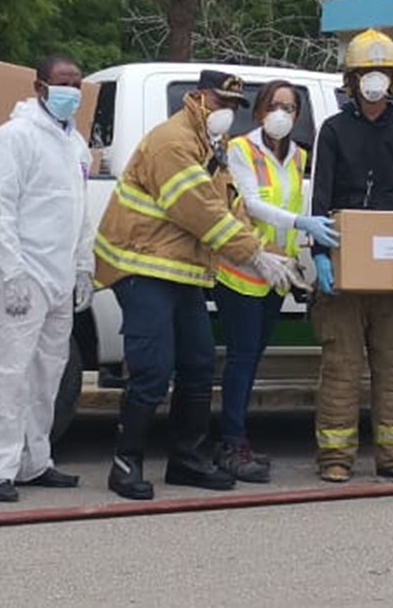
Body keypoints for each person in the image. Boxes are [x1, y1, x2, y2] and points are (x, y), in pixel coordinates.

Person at [95, 69, 300, 501]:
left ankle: (186, 459)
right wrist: (253, 255)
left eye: (234, 106)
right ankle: (126, 462)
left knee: (199, 364)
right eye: (221, 102)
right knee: (152, 369)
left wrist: (263, 251)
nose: (227, 112)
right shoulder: (173, 142)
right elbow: (199, 210)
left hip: (181, 269)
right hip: (142, 264)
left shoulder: (210, 144)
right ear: (198, 97)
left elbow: (230, 205)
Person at [309, 28, 393, 484]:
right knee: (340, 369)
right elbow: (320, 198)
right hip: (344, 272)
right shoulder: (333, 130)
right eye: (366, 72)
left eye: (382, 72)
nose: (374, 81)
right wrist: (321, 255)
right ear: (350, 80)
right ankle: (335, 457)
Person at [0, 54, 95, 503]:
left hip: (60, 273)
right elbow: (0, 208)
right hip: (23, 272)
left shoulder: (75, 144)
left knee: (48, 372)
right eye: (63, 83)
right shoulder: (15, 136)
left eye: (77, 84)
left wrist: (83, 265)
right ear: (39, 87)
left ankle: (34, 460)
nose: (71, 92)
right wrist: (12, 272)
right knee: (8, 372)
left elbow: (80, 210)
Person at [213, 80, 338, 483]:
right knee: (242, 357)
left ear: (297, 116)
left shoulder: (299, 156)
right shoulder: (240, 149)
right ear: (259, 111)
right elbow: (250, 203)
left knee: (252, 360)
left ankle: (238, 438)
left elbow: (292, 201)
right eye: (273, 105)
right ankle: (231, 442)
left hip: (276, 275)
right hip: (241, 270)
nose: (281, 114)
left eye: (289, 107)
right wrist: (301, 222)